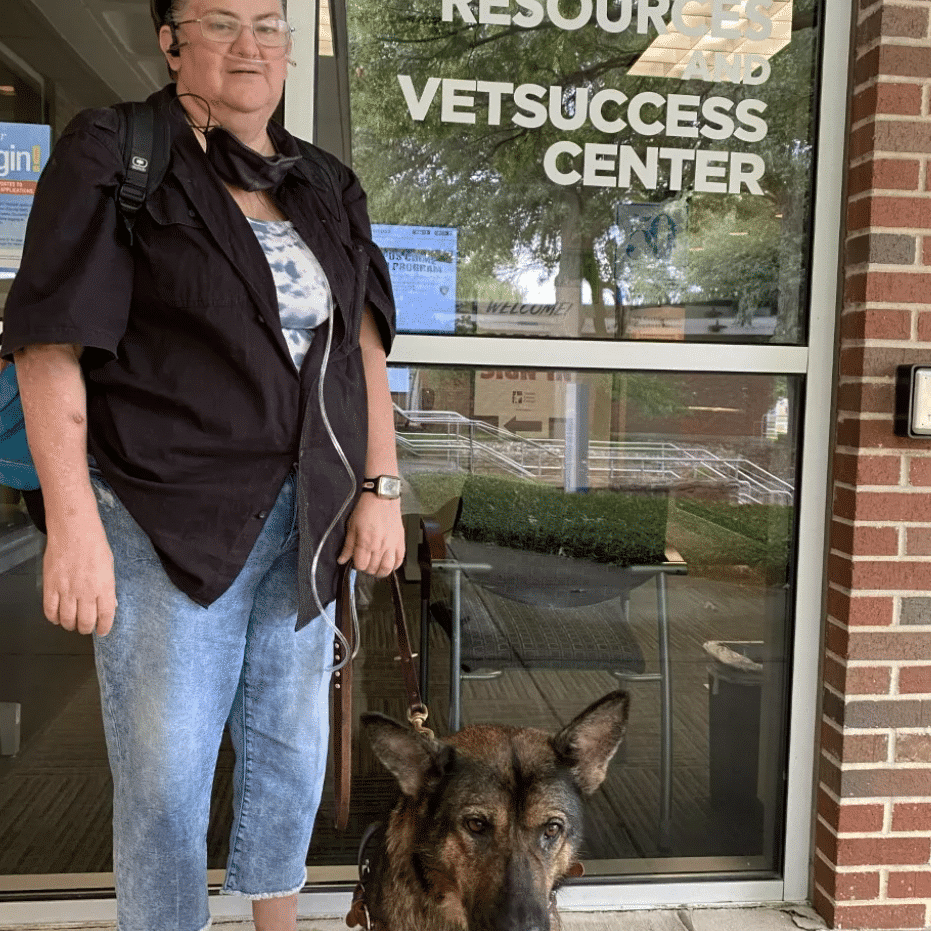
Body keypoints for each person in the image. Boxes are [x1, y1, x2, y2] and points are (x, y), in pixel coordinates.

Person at [0, 0, 405, 928]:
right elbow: (50, 342)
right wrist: (74, 523)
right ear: (171, 38)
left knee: (289, 754)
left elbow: (364, 351)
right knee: (166, 778)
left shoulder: (326, 183)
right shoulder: (115, 151)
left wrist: (380, 485)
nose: (250, 45)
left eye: (268, 24)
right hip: (159, 515)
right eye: (221, 22)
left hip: (312, 517)